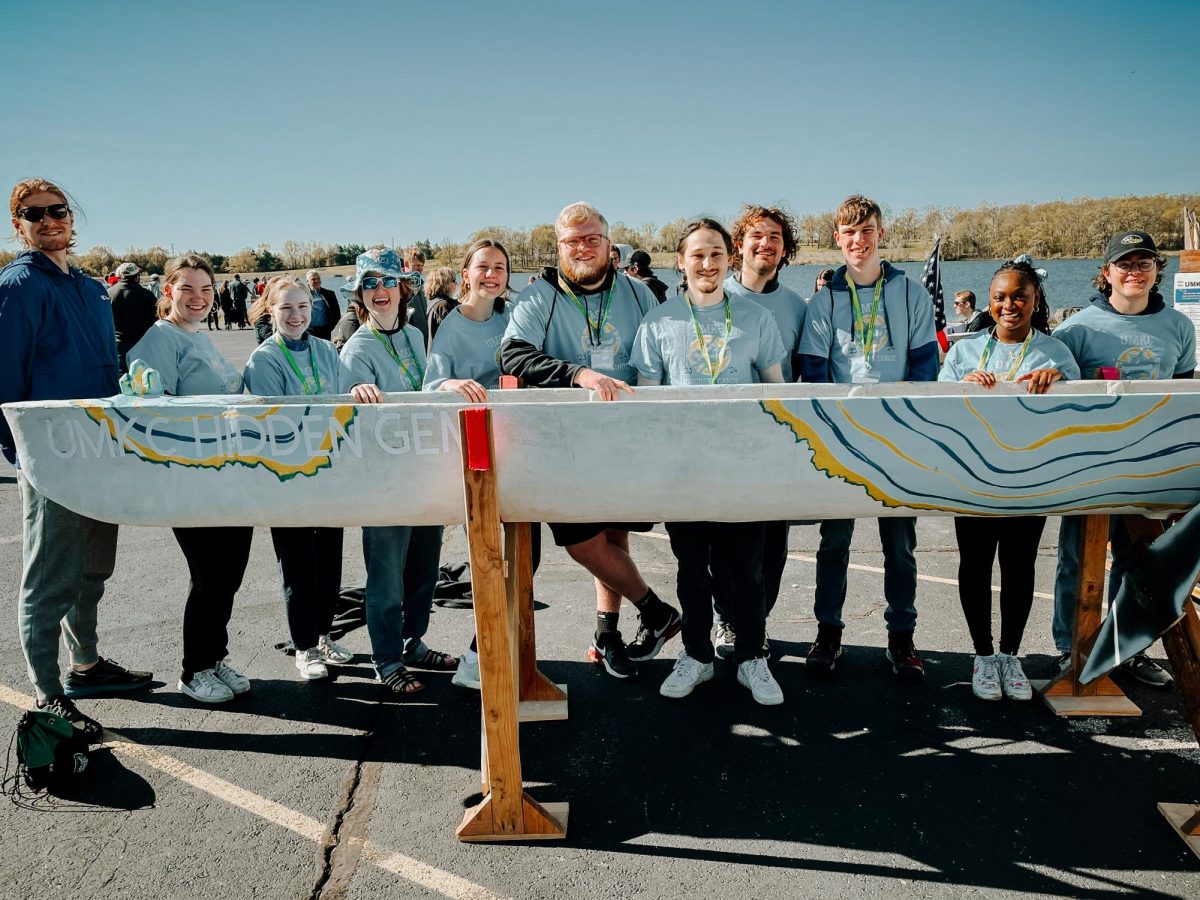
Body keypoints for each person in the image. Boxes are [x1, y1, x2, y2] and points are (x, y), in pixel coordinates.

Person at [501, 201, 681, 678]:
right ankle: (657, 610)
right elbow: (514, 354)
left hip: (625, 437)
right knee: (582, 541)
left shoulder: (639, 293)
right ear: (559, 247)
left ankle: (607, 633)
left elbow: (666, 347)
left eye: (591, 239)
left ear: (609, 243)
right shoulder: (541, 295)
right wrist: (577, 373)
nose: (582, 248)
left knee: (613, 536)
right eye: (572, 241)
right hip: (566, 443)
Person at [1, 177, 151, 738]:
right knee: (48, 579)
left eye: (56, 211)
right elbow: (5, 379)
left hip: (99, 451)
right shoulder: (19, 285)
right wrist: (24, 455)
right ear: (19, 226)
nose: (48, 221)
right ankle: (47, 695)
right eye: (33, 214)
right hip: (52, 457)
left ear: (71, 217)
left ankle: (86, 666)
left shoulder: (90, 290)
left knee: (92, 569)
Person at [631, 219, 787, 705]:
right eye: (697, 255)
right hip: (685, 470)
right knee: (692, 568)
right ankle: (696, 656)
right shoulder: (659, 322)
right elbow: (647, 401)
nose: (707, 263)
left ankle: (751, 658)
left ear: (730, 259)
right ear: (680, 262)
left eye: (717, 254)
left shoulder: (757, 318)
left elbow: (778, 393)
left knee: (748, 570)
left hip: (743, 467)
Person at [797, 194, 939, 683]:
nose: (858, 241)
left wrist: (908, 427)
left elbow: (925, 365)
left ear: (881, 235)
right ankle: (828, 633)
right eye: (849, 233)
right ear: (837, 238)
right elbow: (814, 370)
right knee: (834, 542)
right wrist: (834, 432)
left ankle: (902, 637)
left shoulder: (910, 294)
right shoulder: (824, 299)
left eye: (867, 231)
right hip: (841, 440)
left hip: (897, 438)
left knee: (899, 546)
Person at [1049, 230, 1196, 685]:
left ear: (1157, 270)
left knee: (1140, 561)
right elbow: (1054, 398)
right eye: (1125, 264)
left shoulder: (1179, 327)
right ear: (1107, 271)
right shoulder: (1075, 330)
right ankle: (1069, 646)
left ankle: (1127, 650)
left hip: (1152, 466)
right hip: (1089, 464)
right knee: (1077, 558)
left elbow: (1184, 397)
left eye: (1144, 263)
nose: (1135, 272)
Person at [939, 257, 1081, 701]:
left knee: (1019, 566)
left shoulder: (1054, 352)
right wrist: (962, 384)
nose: (1009, 305)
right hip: (974, 475)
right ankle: (982, 656)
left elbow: (1078, 407)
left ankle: (1010, 655)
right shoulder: (963, 351)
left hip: (1029, 476)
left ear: (1035, 299)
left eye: (1020, 296)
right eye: (1000, 297)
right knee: (976, 565)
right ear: (990, 300)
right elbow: (937, 405)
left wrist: (1057, 379)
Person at [126, 254, 252, 704]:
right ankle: (193, 668)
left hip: (229, 476)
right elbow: (152, 413)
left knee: (229, 575)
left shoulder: (200, 337)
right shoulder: (160, 340)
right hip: (192, 481)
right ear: (168, 292)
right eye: (187, 289)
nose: (198, 298)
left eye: (205, 289)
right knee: (210, 576)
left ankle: (214, 656)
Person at [338, 248, 457, 695]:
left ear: (404, 287)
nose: (379, 291)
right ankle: (386, 658)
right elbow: (346, 410)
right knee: (385, 576)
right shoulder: (357, 347)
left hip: (425, 474)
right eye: (369, 284)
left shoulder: (414, 334)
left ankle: (413, 642)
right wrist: (355, 390)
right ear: (360, 295)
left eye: (387, 282)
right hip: (385, 482)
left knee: (424, 568)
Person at [244, 277, 353, 679]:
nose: (296, 316)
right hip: (289, 478)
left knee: (329, 562)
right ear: (270, 310)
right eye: (286, 308)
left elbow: (342, 405)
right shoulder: (264, 359)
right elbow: (273, 424)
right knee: (298, 566)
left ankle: (324, 634)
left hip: (327, 474)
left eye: (303, 307)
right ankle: (304, 646)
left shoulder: (327, 350)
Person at [424, 239, 518, 690]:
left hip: (518, 451)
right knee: (488, 558)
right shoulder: (450, 325)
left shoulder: (511, 320)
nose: (491, 274)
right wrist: (451, 382)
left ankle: (497, 649)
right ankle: (476, 660)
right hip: (476, 456)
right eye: (483, 266)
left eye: (499, 267)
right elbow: (431, 385)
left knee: (523, 559)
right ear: (466, 273)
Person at [716, 205, 808, 659]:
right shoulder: (713, 292)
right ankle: (726, 620)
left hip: (774, 440)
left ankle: (757, 622)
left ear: (784, 249)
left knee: (772, 544)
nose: (764, 244)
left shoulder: (795, 306)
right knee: (721, 538)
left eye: (774, 237)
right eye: (756, 236)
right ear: (739, 244)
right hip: (720, 441)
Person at [108, 260, 158, 373]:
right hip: (143, 345)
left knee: (120, 381)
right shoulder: (147, 295)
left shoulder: (109, 293)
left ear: (120, 276)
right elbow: (156, 322)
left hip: (117, 346)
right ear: (137, 276)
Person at [422, 265, 459, 347]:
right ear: (444, 283)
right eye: (453, 280)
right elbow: (455, 336)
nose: (457, 283)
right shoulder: (444, 305)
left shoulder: (432, 303)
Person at [403, 247, 430, 345]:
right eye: (417, 265)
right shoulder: (398, 287)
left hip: (425, 341)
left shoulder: (423, 285)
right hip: (409, 342)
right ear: (406, 264)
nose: (421, 268)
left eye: (422, 265)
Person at [305, 269, 341, 341]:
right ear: (307, 281)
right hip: (308, 331)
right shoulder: (303, 295)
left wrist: (329, 328)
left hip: (325, 331)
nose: (316, 281)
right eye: (313, 279)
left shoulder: (329, 294)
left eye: (318, 278)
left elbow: (337, 314)